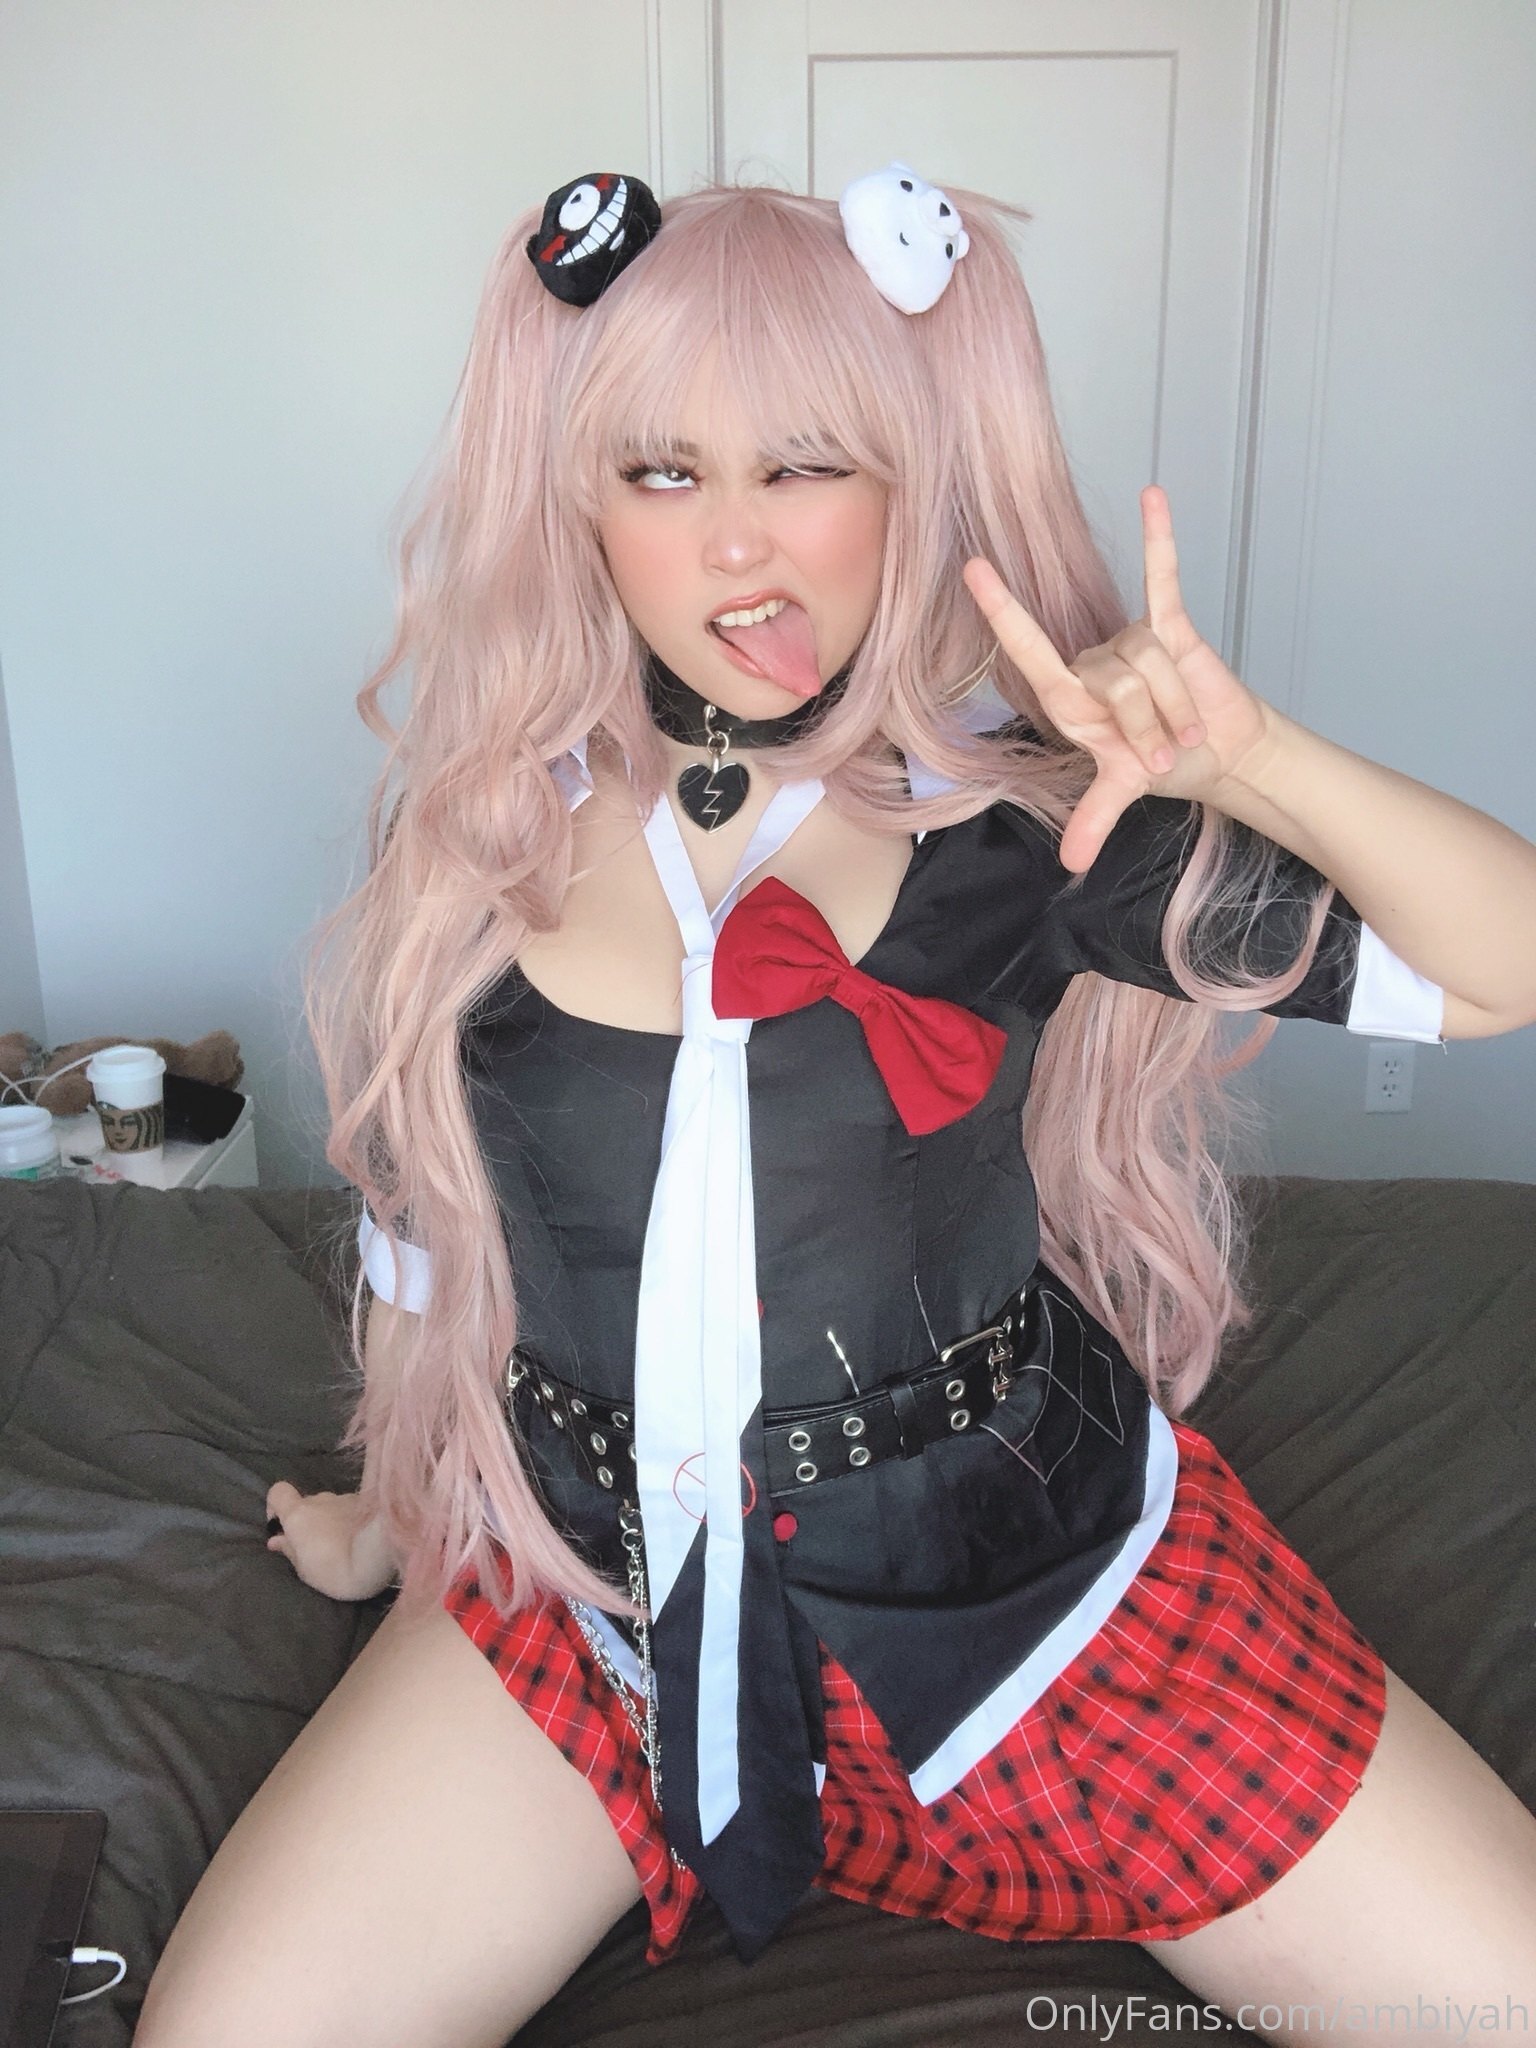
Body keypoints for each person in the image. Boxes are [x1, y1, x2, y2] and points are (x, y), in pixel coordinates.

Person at [134, 168, 1536, 2048]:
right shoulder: (481, 834)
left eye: (803, 464)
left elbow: (1497, 971)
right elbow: (424, 1236)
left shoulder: (1035, 822)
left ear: (910, 479)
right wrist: (394, 1528)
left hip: (1034, 1593)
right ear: (578, 498)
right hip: (601, 1599)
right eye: (660, 472)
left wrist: (1256, 758)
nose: (735, 545)